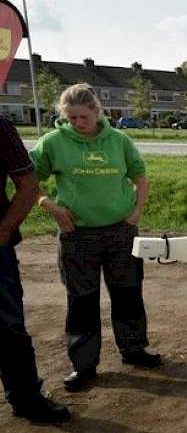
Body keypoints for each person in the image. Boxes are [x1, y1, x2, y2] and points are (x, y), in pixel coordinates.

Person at [31, 84, 162, 393]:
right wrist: (48, 205)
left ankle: (134, 349)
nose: (78, 122)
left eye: (83, 116)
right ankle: (84, 365)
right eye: (72, 117)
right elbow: (28, 181)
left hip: (120, 232)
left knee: (128, 294)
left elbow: (140, 177)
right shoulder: (52, 143)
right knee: (82, 301)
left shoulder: (119, 141)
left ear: (96, 112)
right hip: (77, 236)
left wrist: (136, 213)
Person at [0, 115, 71, 423]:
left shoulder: (0, 128)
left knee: (8, 328)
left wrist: (2, 233)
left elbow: (28, 186)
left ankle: (26, 399)